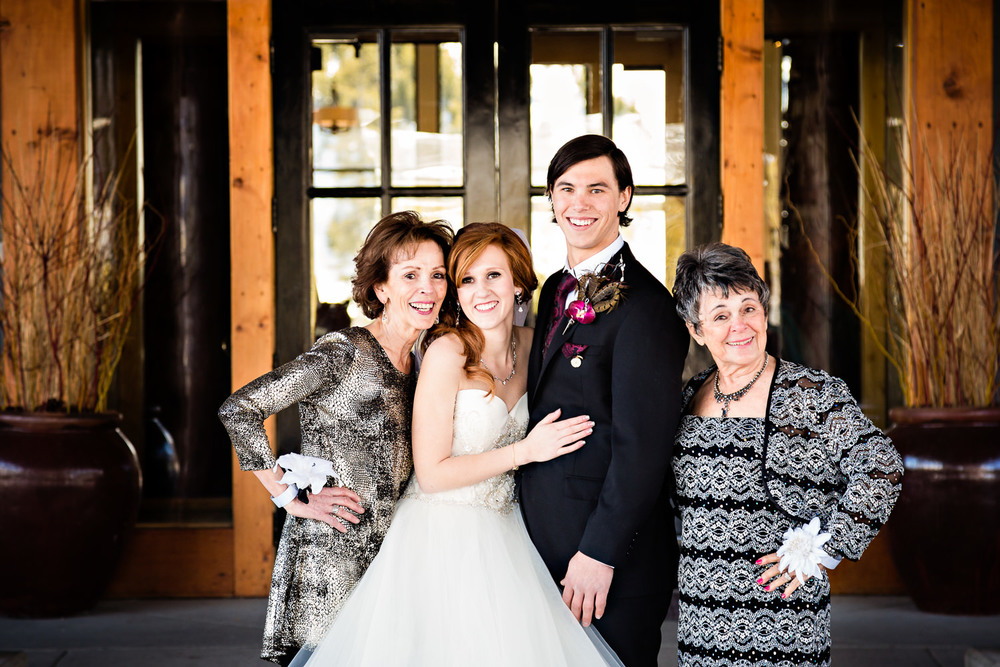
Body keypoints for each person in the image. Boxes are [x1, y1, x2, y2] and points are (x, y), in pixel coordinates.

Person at [298, 222, 623, 666]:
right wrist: (524, 452)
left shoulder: (538, 347)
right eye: (466, 280)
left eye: (493, 275)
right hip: (440, 534)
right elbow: (431, 475)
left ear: (519, 283)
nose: (480, 291)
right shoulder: (446, 351)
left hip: (510, 528)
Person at [218, 211, 453, 665]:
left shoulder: (425, 359)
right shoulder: (344, 351)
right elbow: (239, 409)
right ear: (380, 288)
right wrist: (288, 497)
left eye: (437, 275)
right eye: (410, 275)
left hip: (394, 552)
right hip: (332, 553)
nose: (428, 288)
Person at [671, 242, 903, 666]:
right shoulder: (689, 396)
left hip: (784, 623)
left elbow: (882, 465)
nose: (739, 325)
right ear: (695, 329)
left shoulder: (812, 396)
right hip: (701, 622)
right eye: (720, 316)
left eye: (748, 308)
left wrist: (823, 549)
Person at [519, 134, 689, 666]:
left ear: (624, 197)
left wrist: (600, 552)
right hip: (539, 546)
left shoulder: (647, 307)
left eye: (597, 188)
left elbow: (643, 446)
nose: (579, 202)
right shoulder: (551, 291)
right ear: (550, 200)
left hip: (605, 561)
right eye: (566, 188)